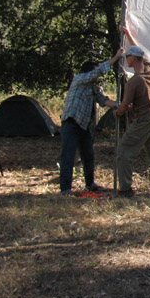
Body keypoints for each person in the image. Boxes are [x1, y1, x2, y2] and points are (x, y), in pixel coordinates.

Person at [58, 48, 125, 195]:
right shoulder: (79, 79)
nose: (97, 77)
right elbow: (97, 72)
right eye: (94, 73)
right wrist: (115, 58)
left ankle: (90, 184)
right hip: (71, 122)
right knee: (68, 156)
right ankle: (65, 189)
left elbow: (103, 100)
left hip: (83, 126)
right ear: (88, 72)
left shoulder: (93, 87)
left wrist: (121, 105)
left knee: (88, 156)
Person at [115, 46, 150, 197]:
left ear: (133, 58)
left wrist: (117, 113)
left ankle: (125, 190)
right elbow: (144, 59)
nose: (126, 59)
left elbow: (124, 105)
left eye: (127, 56)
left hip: (143, 119)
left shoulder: (132, 83)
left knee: (124, 152)